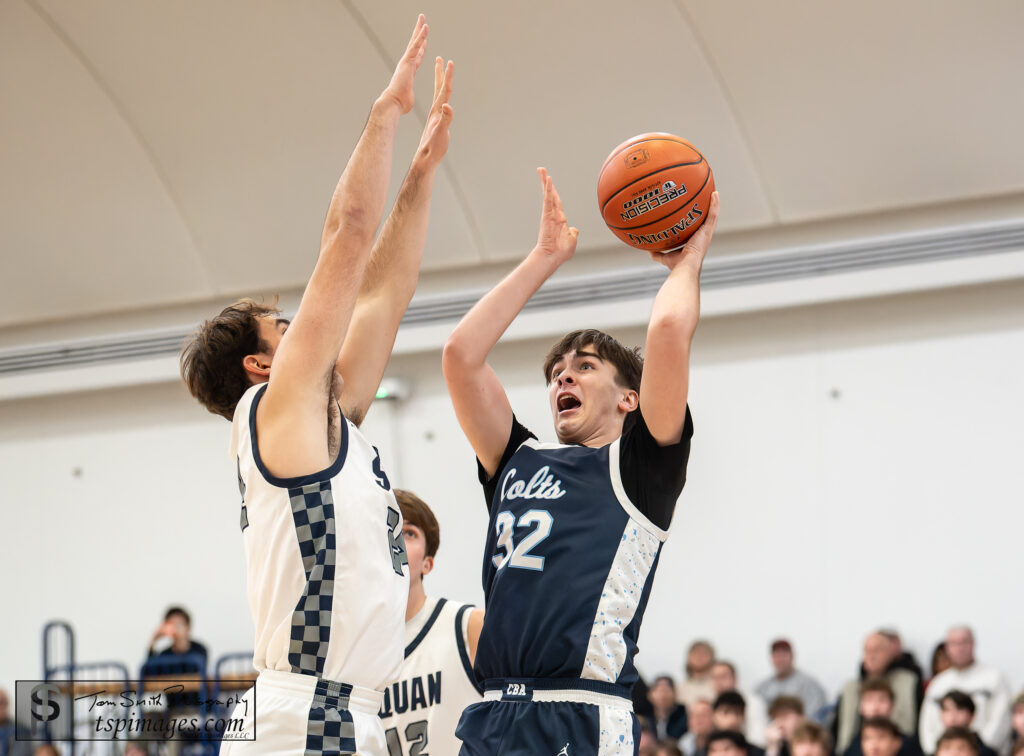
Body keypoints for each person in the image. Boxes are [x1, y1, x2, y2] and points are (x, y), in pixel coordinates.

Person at [179, 15, 454, 755]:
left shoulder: (331, 423)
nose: (301, 324)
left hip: (343, 713)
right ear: (261, 367)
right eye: (282, 325)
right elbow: (349, 233)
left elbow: (382, 294)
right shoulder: (278, 409)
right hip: (305, 715)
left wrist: (423, 178)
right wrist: (384, 117)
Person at [442, 165, 719, 756]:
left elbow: (669, 328)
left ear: (629, 399)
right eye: (557, 372)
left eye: (586, 365)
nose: (564, 373)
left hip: (579, 714)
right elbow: (461, 355)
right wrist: (544, 257)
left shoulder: (641, 467)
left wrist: (686, 262)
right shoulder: (519, 459)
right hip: (491, 712)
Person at [379, 489, 484, 754]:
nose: (396, 542)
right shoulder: (352, 652)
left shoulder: (468, 626)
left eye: (409, 533)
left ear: (428, 563)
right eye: (386, 529)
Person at [919, 627, 1012, 755]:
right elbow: (927, 724)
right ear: (946, 647)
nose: (959, 648)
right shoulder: (938, 683)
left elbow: (1001, 718)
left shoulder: (994, 678)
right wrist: (934, 751)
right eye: (954, 643)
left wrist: (984, 749)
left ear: (973, 644)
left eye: (964, 642)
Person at [837, 633, 919, 752]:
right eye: (868, 651)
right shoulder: (850, 688)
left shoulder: (908, 681)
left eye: (877, 650)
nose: (872, 655)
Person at [841, 679, 922, 756]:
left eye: (882, 700)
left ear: (892, 706)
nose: (876, 707)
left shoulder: (909, 746)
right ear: (860, 707)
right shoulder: (852, 748)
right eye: (869, 700)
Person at [756, 640, 828, 723]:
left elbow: (816, 714)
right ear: (771, 658)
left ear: (792, 656)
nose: (780, 660)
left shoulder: (808, 684)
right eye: (777, 655)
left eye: (783, 655)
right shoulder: (763, 687)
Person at [712, 660, 768, 746]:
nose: (719, 682)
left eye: (723, 677)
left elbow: (758, 738)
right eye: (715, 678)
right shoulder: (711, 703)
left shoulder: (752, 702)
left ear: (735, 679)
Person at [939, 691, 998, 756]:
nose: (952, 717)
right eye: (947, 710)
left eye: (959, 709)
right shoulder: (935, 747)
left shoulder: (986, 753)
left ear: (972, 715)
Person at [645, 676, 689, 741]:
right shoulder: (646, 719)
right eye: (658, 690)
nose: (662, 696)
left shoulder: (685, 717)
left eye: (666, 690)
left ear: (675, 693)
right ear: (649, 695)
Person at [680, 642, 718, 710]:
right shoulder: (679, 689)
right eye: (696, 653)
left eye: (704, 653)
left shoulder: (719, 687)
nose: (699, 657)